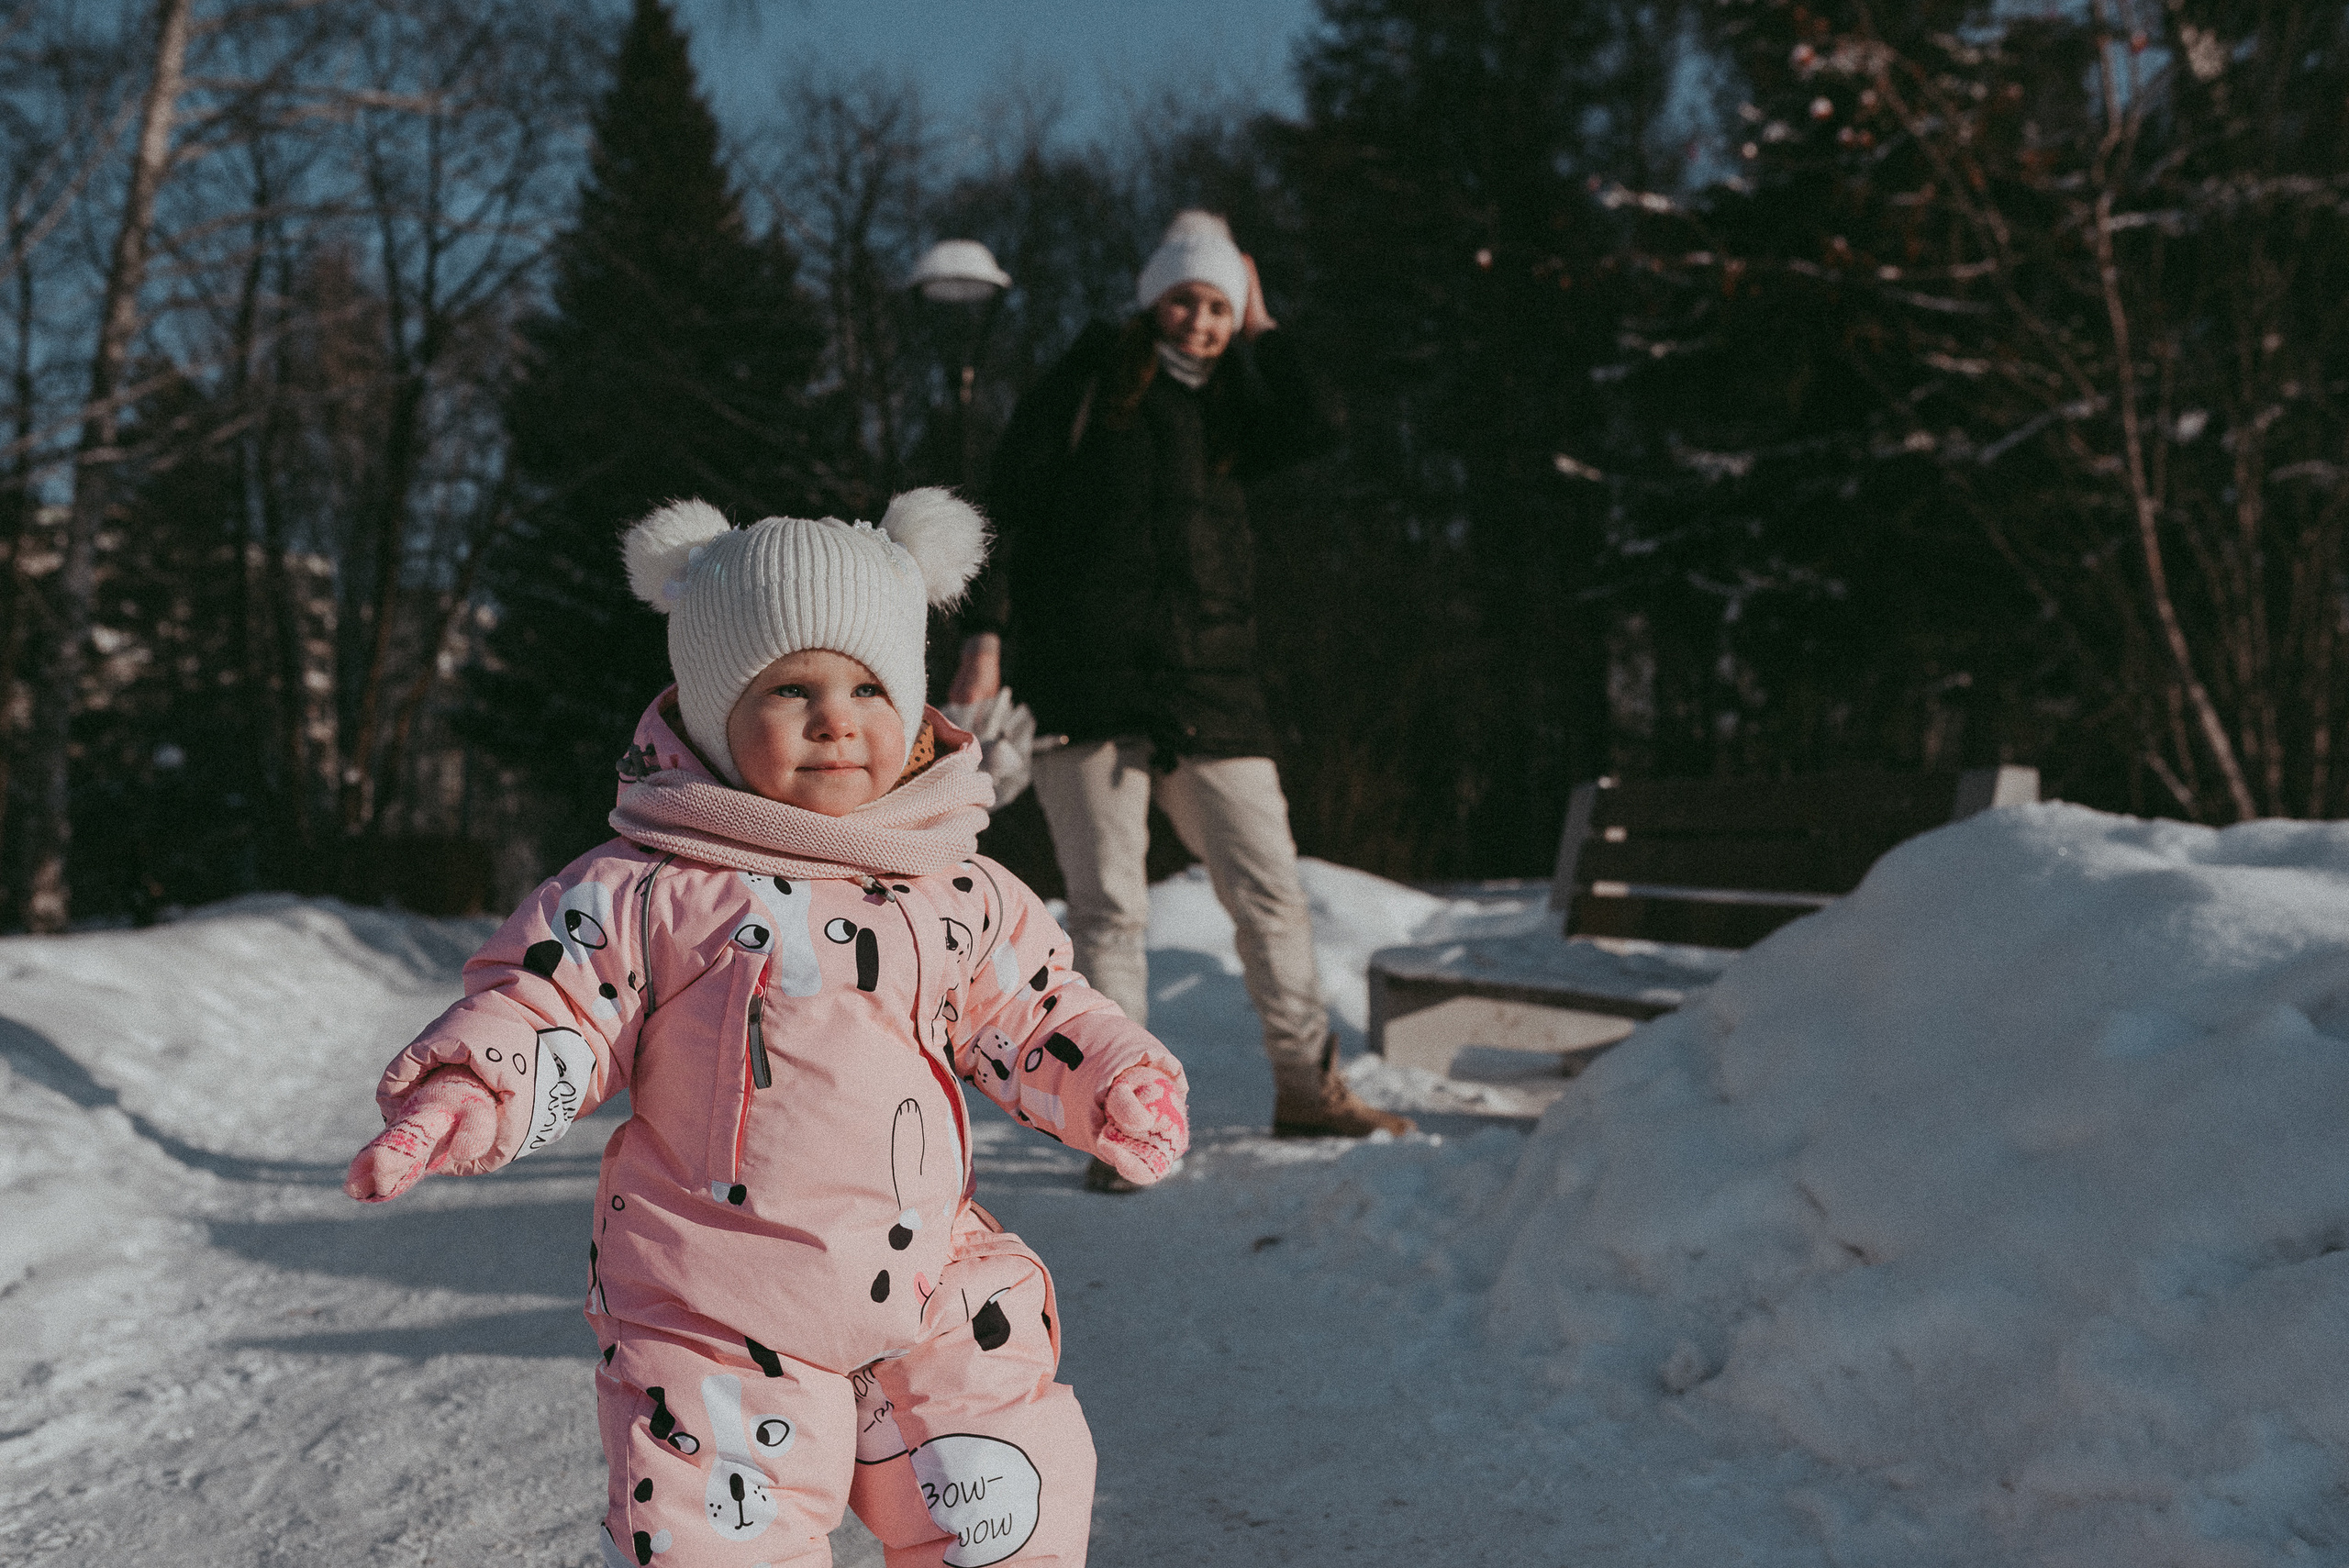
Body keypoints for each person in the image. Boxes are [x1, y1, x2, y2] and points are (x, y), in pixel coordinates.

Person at [343, 490, 1188, 1568]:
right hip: (711, 1301)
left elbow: (1035, 1005)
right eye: (790, 687)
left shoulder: (955, 883)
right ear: (709, 714)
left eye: (869, 686)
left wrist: (1113, 1076)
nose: (838, 717)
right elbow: (548, 998)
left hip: (930, 1281)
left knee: (1004, 1497)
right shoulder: (649, 887)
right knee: (711, 1541)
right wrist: (469, 1088)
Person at [952, 210, 1408, 1184]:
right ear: (1150, 297)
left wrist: (1265, 327)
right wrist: (983, 636)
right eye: (1185, 299)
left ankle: (1308, 1086)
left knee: (1271, 893)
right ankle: (1119, 1119)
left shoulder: (1234, 412)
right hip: (1086, 685)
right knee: (1109, 913)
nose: (1199, 320)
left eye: (1217, 306)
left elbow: (1323, 419)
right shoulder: (1084, 386)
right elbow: (1003, 506)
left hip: (1215, 691)